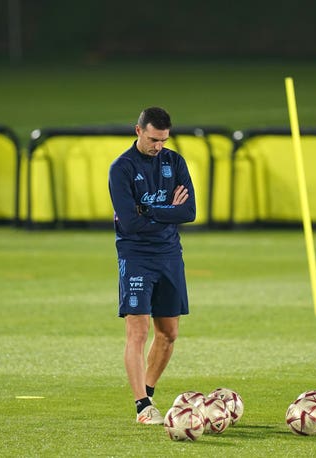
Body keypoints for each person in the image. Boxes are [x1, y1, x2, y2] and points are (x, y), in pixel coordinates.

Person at [108, 107, 196, 425]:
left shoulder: (175, 162)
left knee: (169, 333)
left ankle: (147, 389)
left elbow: (189, 213)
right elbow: (129, 225)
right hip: (136, 257)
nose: (158, 146)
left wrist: (148, 209)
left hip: (170, 255)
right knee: (137, 330)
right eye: (153, 139)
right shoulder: (121, 169)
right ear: (138, 131)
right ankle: (142, 406)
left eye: (163, 140)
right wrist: (166, 209)